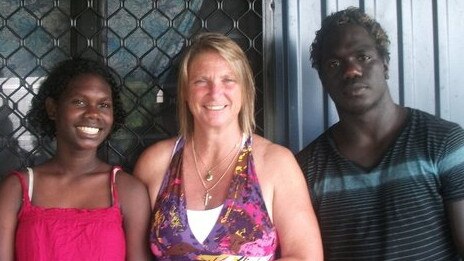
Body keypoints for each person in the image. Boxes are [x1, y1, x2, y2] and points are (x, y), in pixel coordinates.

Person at [134, 32, 323, 260]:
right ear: (185, 92)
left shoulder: (275, 163)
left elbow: (305, 256)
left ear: (245, 90)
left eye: (228, 80)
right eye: (201, 81)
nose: (215, 92)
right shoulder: (155, 163)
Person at [296, 7, 464, 260]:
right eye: (334, 63)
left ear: (384, 64)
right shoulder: (306, 168)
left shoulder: (443, 142)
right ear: (323, 78)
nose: (351, 70)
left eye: (363, 57)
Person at [0, 58, 151, 260]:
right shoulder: (18, 189)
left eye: (104, 105)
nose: (93, 113)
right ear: (53, 109)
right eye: (79, 102)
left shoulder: (128, 190)